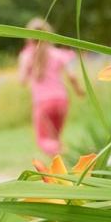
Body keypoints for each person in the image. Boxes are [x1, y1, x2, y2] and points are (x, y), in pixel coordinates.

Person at [18, 19, 85, 156]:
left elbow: (22, 80)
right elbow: (72, 77)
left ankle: (68, 154)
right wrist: (79, 90)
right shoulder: (58, 54)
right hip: (61, 100)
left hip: (43, 102)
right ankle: (59, 170)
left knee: (43, 141)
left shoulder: (27, 56)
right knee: (55, 138)